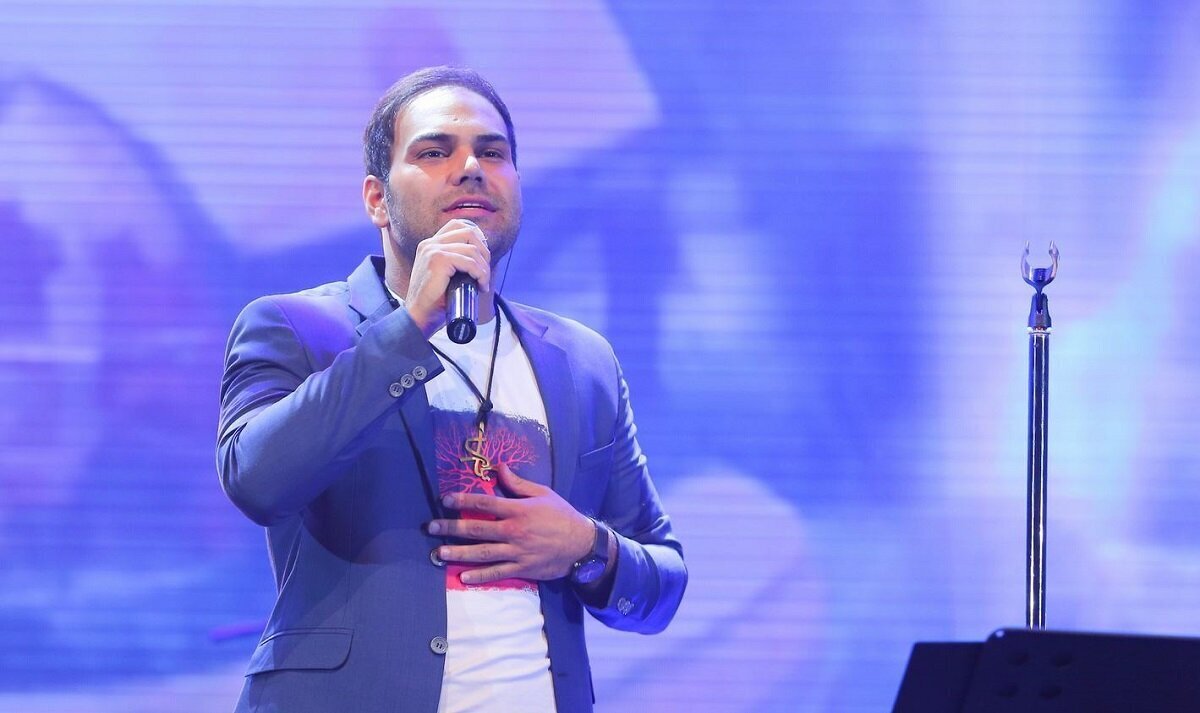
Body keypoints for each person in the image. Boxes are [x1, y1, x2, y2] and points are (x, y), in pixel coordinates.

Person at [216, 66, 687, 713]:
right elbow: (257, 480)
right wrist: (409, 325)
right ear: (377, 199)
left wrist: (585, 547)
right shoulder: (295, 327)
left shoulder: (582, 361)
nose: (470, 168)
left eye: (492, 153)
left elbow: (661, 584)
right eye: (435, 152)